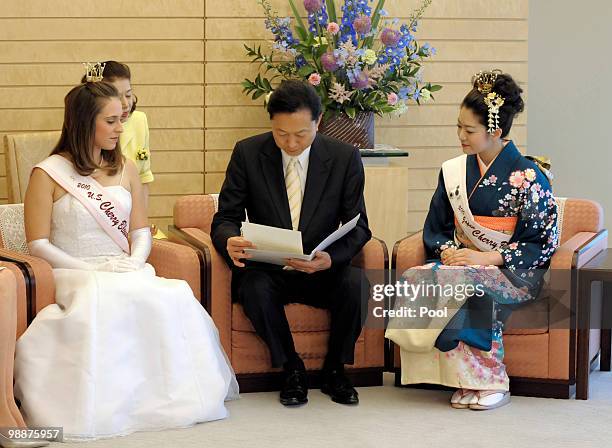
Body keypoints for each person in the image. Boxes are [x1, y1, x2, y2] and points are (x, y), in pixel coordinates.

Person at [14, 74, 238, 441]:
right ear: (85, 122)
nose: (121, 128)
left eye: (123, 118)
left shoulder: (126, 168)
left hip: (123, 266)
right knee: (100, 298)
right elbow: (37, 243)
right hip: (73, 270)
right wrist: (90, 268)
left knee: (172, 293)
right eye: (112, 120)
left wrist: (135, 261)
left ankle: (162, 401)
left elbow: (139, 231)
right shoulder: (48, 173)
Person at [388, 70, 558, 410]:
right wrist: (449, 251)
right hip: (465, 263)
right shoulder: (453, 171)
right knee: (420, 277)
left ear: (494, 131)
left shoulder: (528, 175)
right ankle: (461, 380)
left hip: (514, 272)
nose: (460, 136)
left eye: (469, 130)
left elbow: (542, 240)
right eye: (459, 127)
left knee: (470, 284)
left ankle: (492, 381)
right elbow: (435, 227)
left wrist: (487, 258)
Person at [211, 80, 371, 406]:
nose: (291, 143)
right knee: (253, 288)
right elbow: (224, 217)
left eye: (300, 134)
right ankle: (291, 368)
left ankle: (335, 370)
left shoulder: (344, 158)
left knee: (356, 283)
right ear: (271, 123)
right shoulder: (248, 153)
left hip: (320, 268)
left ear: (318, 120)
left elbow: (359, 227)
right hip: (270, 269)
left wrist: (330, 258)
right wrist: (230, 240)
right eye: (281, 134)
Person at [81, 60, 165, 238]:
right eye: (117, 96)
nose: (125, 104)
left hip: (133, 223)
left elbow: (143, 178)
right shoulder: (88, 132)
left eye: (128, 94)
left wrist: (140, 224)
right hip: (97, 223)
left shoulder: (139, 120)